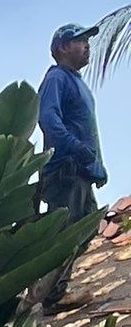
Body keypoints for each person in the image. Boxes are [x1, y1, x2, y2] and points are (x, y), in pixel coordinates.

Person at [40, 23, 107, 216]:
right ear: (63, 47)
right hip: (65, 171)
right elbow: (48, 119)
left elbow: (86, 129)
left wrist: (97, 166)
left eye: (87, 41)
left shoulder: (79, 83)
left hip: (81, 172)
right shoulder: (57, 77)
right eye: (80, 40)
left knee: (87, 232)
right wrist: (75, 147)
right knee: (68, 235)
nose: (87, 46)